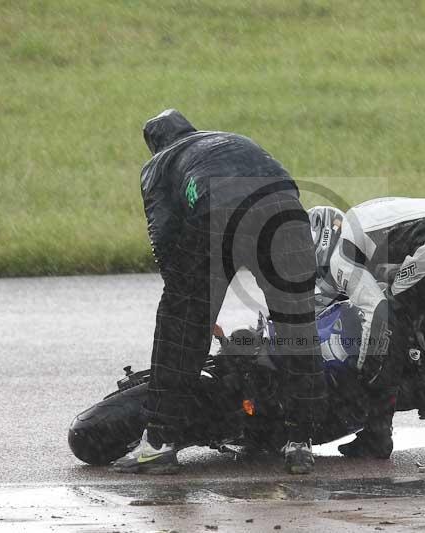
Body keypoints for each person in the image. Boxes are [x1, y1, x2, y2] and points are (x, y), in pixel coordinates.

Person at [112, 109, 327, 475]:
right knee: (298, 328)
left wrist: (187, 300)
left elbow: (162, 233)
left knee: (179, 331)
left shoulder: (159, 164)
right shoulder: (233, 140)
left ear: (154, 144)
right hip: (287, 214)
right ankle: (299, 441)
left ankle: (159, 444)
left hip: (219, 215)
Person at [308, 197, 425, 458]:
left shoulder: (342, 253)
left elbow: (378, 312)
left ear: (321, 241)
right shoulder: (362, 225)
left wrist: (367, 366)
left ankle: (377, 435)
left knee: (392, 322)